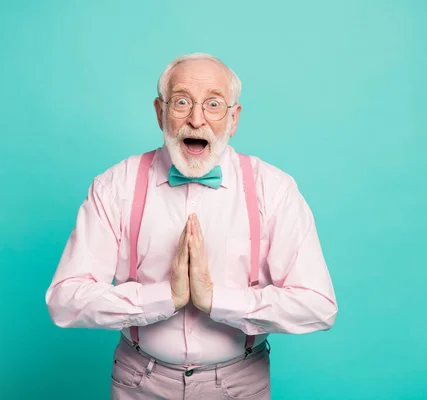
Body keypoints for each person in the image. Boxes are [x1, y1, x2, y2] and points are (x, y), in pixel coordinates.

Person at [45, 53, 338, 399]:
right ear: (160, 112)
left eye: (213, 104)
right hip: (139, 381)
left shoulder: (273, 189)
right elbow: (63, 300)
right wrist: (163, 298)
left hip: (239, 384)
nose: (197, 119)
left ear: (233, 119)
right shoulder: (115, 185)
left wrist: (216, 300)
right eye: (182, 102)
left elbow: (318, 306)